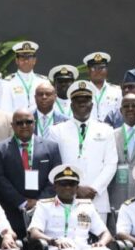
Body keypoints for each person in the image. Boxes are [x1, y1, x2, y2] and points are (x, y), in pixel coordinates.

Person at [48, 81, 117, 226]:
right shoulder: (57, 131)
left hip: (97, 199)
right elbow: (55, 164)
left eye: (86, 101)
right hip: (67, 196)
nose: (82, 104)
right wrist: (75, 188)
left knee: (98, 243)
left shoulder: (106, 130)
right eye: (78, 101)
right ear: (71, 105)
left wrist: (94, 189)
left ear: (92, 105)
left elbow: (111, 164)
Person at [0, 108, 62, 238]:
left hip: (44, 211)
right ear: (12, 126)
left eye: (28, 122)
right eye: (19, 123)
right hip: (12, 210)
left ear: (34, 123)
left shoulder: (51, 147)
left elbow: (56, 177)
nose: (24, 126)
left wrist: (39, 203)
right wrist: (22, 202)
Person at [0, 41, 50, 112]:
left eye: (29, 57)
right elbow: (5, 109)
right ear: (16, 60)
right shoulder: (8, 82)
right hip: (17, 122)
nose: (26, 61)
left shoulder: (44, 82)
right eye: (22, 58)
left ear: (34, 60)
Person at [82, 52, 121, 122]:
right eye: (94, 68)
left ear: (107, 69)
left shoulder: (117, 91)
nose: (98, 71)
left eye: (101, 67)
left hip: (111, 130)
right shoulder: (82, 91)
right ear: (88, 70)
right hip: (89, 131)